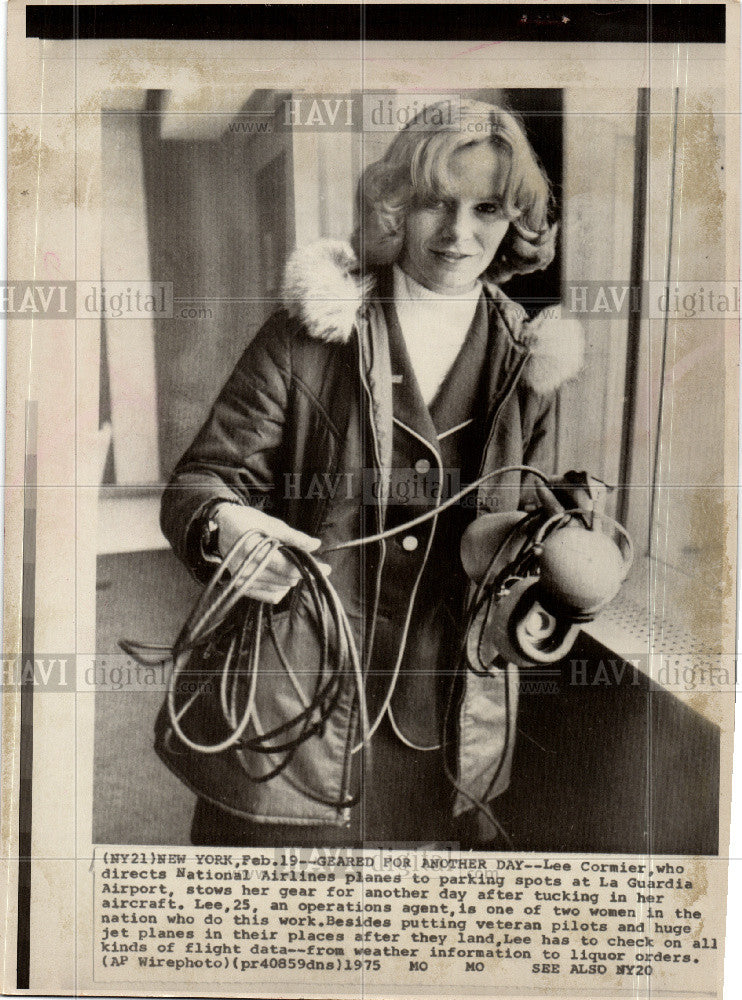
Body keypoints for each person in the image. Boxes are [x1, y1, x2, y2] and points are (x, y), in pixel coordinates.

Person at [158, 99, 586, 848]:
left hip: (448, 715)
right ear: (395, 205)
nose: (458, 234)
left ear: (516, 219)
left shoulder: (528, 361)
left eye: (487, 208)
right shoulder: (312, 330)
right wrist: (227, 526)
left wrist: (549, 584)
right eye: (433, 203)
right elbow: (202, 482)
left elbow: (517, 536)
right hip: (295, 700)